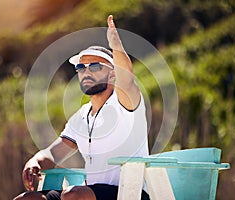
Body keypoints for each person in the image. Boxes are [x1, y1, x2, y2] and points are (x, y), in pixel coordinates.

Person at [14, 15, 150, 200]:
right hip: (90, 194)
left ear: (112, 74)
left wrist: (116, 47)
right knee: (27, 199)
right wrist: (35, 161)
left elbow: (127, 80)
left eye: (94, 67)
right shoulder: (82, 116)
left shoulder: (124, 104)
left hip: (130, 194)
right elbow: (53, 153)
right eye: (81, 68)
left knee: (74, 195)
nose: (86, 72)